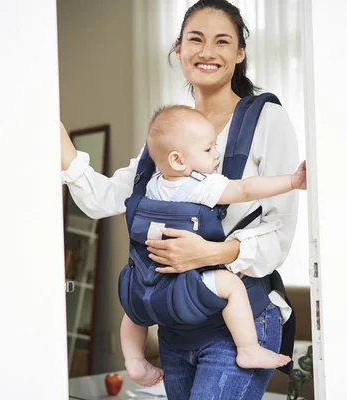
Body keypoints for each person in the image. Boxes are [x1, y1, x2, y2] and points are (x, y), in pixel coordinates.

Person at [60, 1, 300, 398]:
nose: (207, 51)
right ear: (178, 48)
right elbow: (104, 199)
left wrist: (205, 254)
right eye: (196, 39)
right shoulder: (171, 134)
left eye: (222, 41)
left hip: (242, 318)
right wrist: (62, 144)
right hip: (177, 322)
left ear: (240, 53)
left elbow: (279, 232)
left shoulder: (267, 119)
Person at [118, 104, 306, 386]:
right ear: (179, 161)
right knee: (232, 286)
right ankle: (247, 348)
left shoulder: (149, 186)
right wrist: (292, 181)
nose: (217, 154)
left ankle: (133, 360)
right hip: (189, 281)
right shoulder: (199, 185)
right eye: (208, 150)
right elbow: (245, 189)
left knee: (134, 310)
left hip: (150, 279)